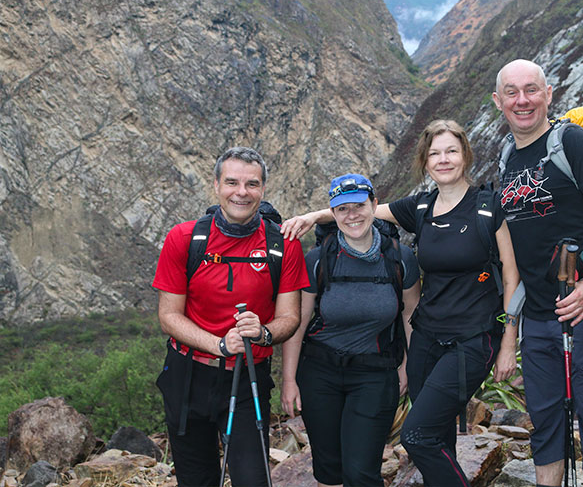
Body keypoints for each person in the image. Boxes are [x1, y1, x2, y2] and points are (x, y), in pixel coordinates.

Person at [282, 121, 520, 487]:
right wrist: (314, 217)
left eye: (451, 151)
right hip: (427, 337)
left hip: (473, 336)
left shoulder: (488, 207)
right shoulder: (421, 206)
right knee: (439, 436)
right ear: (425, 161)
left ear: (465, 155)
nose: (443, 160)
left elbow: (511, 279)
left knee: (417, 435)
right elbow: (358, 213)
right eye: (435, 153)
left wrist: (508, 343)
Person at [492, 59, 583, 487]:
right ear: (498, 102)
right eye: (511, 92)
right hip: (538, 316)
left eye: (531, 89)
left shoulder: (571, 140)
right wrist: (511, 331)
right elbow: (516, 256)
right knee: (546, 421)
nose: (522, 100)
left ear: (549, 94)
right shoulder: (507, 157)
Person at [152, 147, 309, 487]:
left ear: (263, 189)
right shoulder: (185, 238)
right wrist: (220, 344)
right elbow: (168, 316)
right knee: (197, 479)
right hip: (187, 375)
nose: (241, 192)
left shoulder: (282, 245)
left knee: (252, 478)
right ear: (216, 185)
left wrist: (263, 333)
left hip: (248, 374)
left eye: (251, 184)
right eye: (232, 182)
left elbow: (289, 317)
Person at [280, 173, 421, 487]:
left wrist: (407, 367)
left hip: (375, 373)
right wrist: (289, 380)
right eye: (342, 209)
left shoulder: (399, 258)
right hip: (319, 372)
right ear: (333, 213)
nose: (352, 215)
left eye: (359, 205)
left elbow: (410, 314)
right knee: (329, 469)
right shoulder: (319, 260)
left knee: (360, 471)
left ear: (374, 205)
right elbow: (299, 323)